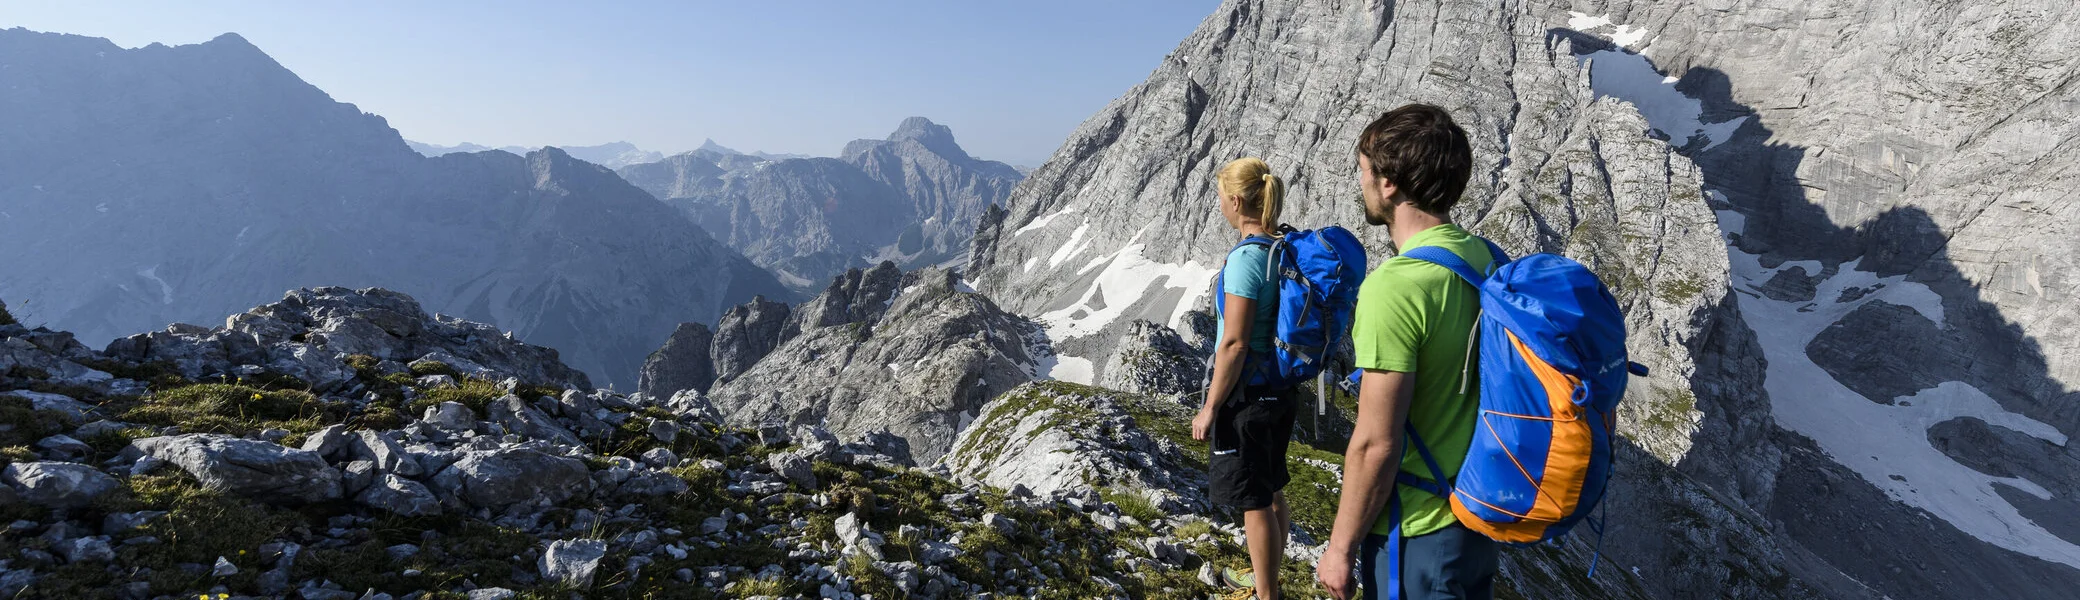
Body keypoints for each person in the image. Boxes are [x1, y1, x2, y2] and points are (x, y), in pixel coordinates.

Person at [1316, 104, 1499, 600]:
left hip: (1416, 533)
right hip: (1478, 521)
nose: (1361, 183)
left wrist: (1339, 547)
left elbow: (1377, 442)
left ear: (1389, 183)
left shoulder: (1396, 288)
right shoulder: (1486, 259)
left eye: (1363, 170)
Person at [1191, 156, 1299, 600]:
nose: (1219, 204)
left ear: (1235, 201)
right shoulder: (1283, 247)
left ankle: (1266, 595)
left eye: (1221, 197)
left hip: (1249, 396)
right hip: (1281, 388)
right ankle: (1265, 580)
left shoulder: (1246, 260)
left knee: (1253, 500)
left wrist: (1210, 407)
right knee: (1272, 489)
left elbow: (1233, 343)